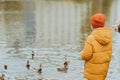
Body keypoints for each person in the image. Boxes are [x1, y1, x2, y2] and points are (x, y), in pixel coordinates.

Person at [80, 13, 112, 80]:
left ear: (92, 25)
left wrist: (81, 53)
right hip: (103, 72)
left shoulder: (90, 38)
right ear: (104, 24)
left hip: (92, 73)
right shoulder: (109, 38)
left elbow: (86, 55)